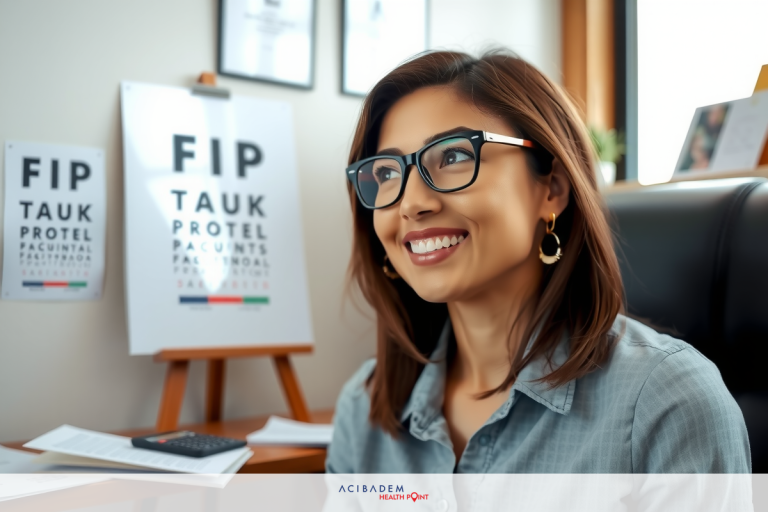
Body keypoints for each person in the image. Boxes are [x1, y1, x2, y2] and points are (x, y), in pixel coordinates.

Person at [326, 50, 750, 473]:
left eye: (453, 156)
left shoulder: (667, 401)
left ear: (552, 189)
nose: (411, 204)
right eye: (385, 174)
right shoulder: (362, 406)